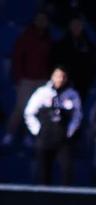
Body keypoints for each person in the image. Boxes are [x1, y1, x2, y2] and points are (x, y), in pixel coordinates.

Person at [24, 67, 82, 186]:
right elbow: (29, 112)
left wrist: (70, 131)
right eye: (57, 76)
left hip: (62, 137)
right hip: (45, 136)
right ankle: (43, 201)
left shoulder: (72, 94)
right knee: (44, 172)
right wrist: (37, 130)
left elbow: (78, 115)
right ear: (52, 76)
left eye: (62, 76)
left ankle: (66, 201)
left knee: (67, 170)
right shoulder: (42, 92)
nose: (60, 79)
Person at [7, 11, 54, 147]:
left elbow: (51, 61)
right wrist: (19, 78)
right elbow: (17, 59)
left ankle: (30, 136)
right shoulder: (25, 37)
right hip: (26, 79)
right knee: (21, 108)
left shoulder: (49, 40)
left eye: (44, 19)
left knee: (38, 110)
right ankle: (10, 134)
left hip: (43, 81)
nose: (41, 22)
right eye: (39, 19)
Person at [50, 17, 96, 111]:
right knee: (58, 109)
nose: (76, 27)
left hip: (81, 85)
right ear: (70, 26)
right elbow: (55, 63)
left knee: (76, 110)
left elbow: (92, 66)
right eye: (74, 25)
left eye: (78, 25)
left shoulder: (88, 45)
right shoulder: (61, 43)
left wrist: (87, 81)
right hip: (62, 83)